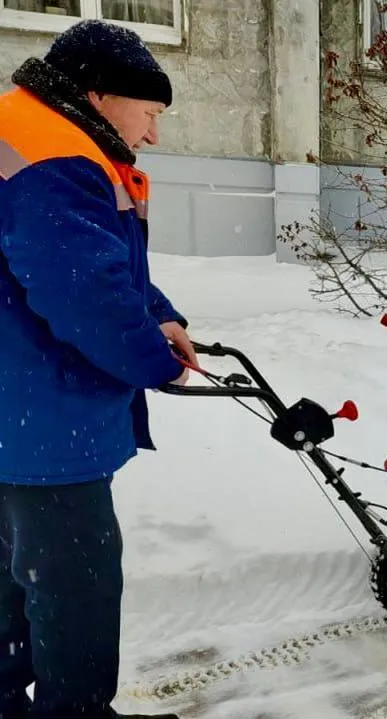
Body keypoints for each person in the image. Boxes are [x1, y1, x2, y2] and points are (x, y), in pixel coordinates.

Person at [0, 19, 201, 719]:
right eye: (149, 114)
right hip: (45, 422)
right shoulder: (59, 155)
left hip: (16, 415)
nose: (152, 134)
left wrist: (162, 313)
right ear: (101, 94)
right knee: (74, 584)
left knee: (15, 572)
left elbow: (105, 265)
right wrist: (155, 361)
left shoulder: (33, 130)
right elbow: (83, 292)